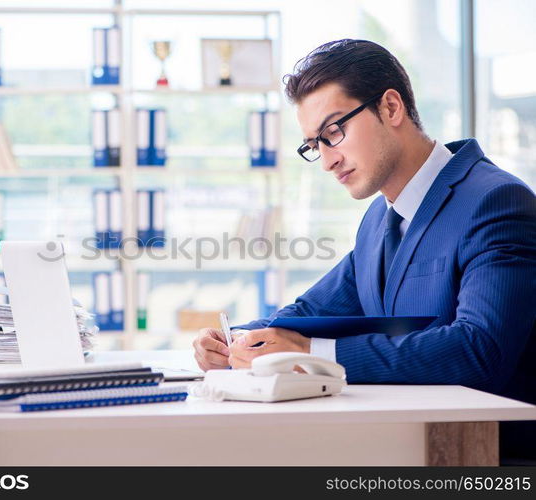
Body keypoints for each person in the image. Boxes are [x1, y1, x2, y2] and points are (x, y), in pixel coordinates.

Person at [192, 39, 536, 462]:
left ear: (390, 108)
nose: (327, 161)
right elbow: (311, 311)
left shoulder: (495, 201)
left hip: (484, 457)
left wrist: (310, 355)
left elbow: (479, 349)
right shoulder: (379, 219)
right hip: (405, 445)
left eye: (334, 131)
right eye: (314, 144)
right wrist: (237, 340)